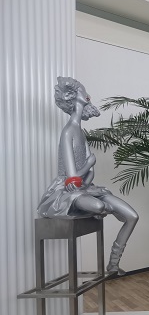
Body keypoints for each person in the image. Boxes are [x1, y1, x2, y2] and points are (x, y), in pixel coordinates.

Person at [38, 77, 139, 275]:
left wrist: (88, 172)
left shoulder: (80, 132)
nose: (89, 96)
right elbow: (72, 179)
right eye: (85, 92)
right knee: (99, 207)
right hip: (66, 193)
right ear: (73, 96)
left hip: (85, 189)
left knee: (132, 216)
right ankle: (104, 209)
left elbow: (88, 177)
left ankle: (113, 264)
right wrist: (89, 164)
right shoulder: (68, 132)